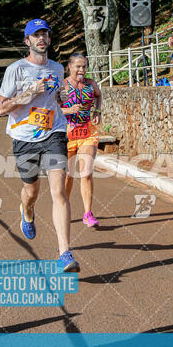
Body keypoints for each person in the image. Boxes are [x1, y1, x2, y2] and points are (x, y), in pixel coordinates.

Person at [0, 18, 80, 273]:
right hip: (24, 138)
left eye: (45, 34)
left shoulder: (56, 68)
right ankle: (27, 209)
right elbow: (1, 109)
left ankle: (65, 253)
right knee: (31, 190)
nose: (41, 38)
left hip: (53, 133)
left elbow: (57, 98)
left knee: (59, 192)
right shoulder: (16, 70)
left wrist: (62, 97)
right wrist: (30, 92)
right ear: (27, 41)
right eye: (36, 35)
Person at [61, 53, 102, 228]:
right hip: (67, 133)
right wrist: (69, 110)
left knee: (86, 173)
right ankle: (64, 208)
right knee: (68, 176)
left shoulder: (91, 84)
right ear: (69, 67)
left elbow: (99, 96)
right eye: (78, 66)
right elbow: (54, 109)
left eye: (84, 66)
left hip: (87, 131)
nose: (81, 70)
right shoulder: (62, 86)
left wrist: (98, 111)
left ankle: (88, 213)